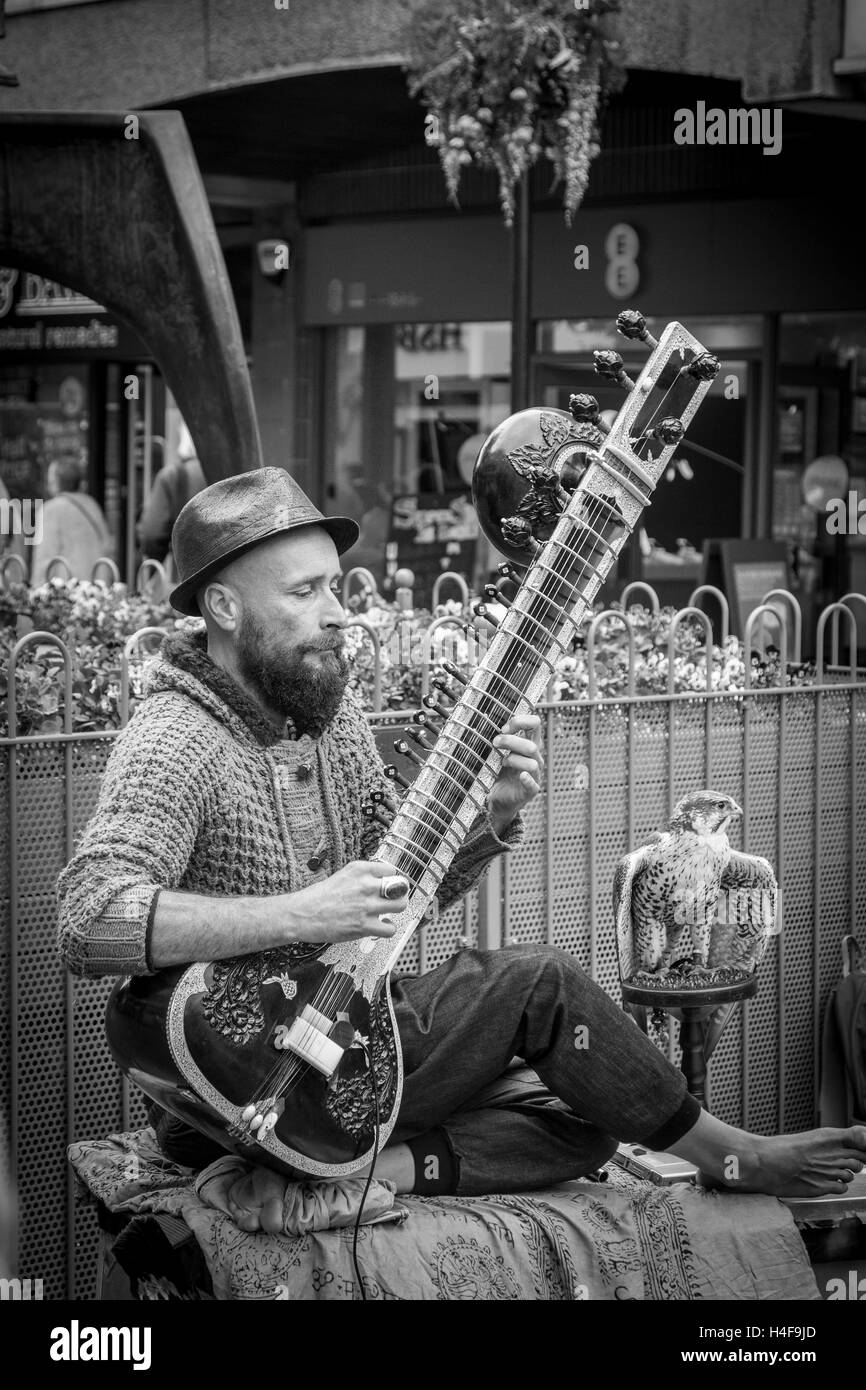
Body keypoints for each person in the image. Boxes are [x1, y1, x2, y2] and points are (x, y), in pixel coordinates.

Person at [56, 467, 865, 1232]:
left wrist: (489, 817)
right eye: (306, 592)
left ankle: (359, 1180)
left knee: (587, 1117)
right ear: (226, 609)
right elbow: (90, 919)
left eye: (336, 584)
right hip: (240, 1088)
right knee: (540, 983)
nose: (339, 610)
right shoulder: (173, 739)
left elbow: (388, 897)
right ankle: (734, 1155)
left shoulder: (327, 720)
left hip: (346, 1049)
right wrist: (303, 911)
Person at [29, 456, 113, 587]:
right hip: (96, 589)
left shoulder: (51, 509)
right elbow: (107, 547)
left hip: (66, 591)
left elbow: (44, 558)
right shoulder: (92, 505)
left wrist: (37, 591)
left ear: (56, 481)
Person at [137, 422, 205, 577]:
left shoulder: (172, 476)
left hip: (186, 576)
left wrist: (155, 560)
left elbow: (151, 533)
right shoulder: (235, 472)